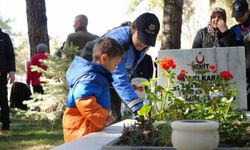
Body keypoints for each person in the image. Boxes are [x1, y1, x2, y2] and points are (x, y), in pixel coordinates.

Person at [81, 12, 160, 122]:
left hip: (110, 71)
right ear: (133, 28)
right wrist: (139, 109)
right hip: (91, 63)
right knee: (94, 113)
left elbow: (127, 70)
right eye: (141, 38)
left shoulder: (141, 45)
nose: (143, 44)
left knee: (115, 115)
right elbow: (119, 79)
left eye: (147, 41)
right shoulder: (118, 42)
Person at [62, 37, 125, 142]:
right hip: (81, 130)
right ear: (104, 59)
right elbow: (84, 100)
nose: (116, 68)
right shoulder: (91, 77)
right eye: (115, 64)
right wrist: (103, 117)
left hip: (86, 127)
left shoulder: (96, 76)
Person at [218, 0, 250, 110]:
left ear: (248, 12)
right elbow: (232, 49)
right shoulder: (234, 30)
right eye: (236, 15)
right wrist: (225, 33)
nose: (238, 18)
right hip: (241, 75)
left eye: (241, 15)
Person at [0, 28, 16, 137]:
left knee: (3, 101)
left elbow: (10, 54)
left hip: (2, 74)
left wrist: (11, 71)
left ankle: (5, 127)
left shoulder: (4, 37)